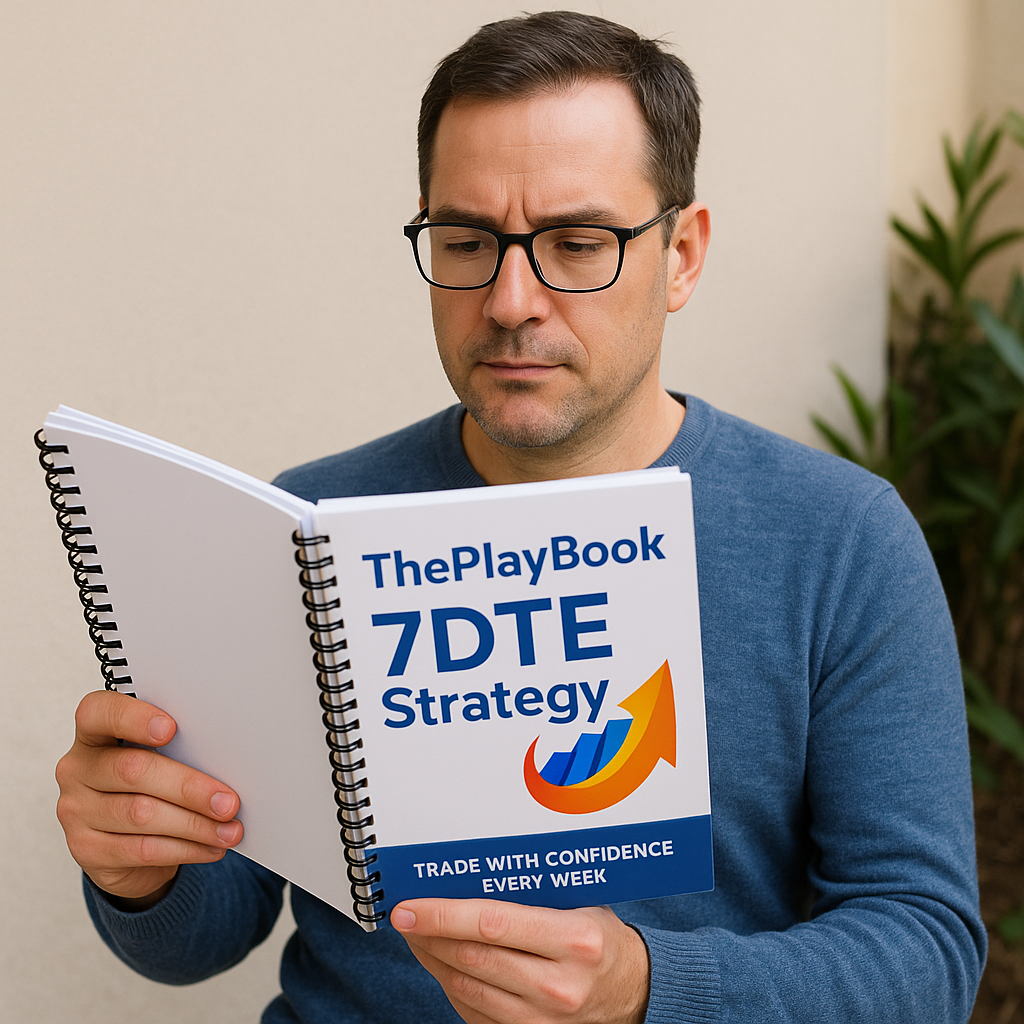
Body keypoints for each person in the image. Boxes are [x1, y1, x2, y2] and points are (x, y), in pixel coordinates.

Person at [54, 11, 986, 1023]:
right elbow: (202, 936)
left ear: (682, 254)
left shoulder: (841, 542)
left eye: (576, 243)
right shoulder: (315, 522)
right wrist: (139, 861)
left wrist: (646, 989)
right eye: (465, 240)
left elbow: (925, 954)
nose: (508, 299)